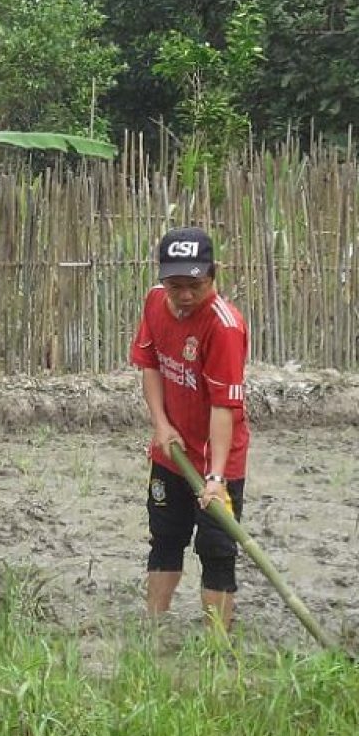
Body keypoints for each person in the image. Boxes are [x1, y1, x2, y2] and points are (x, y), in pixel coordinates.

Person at [130, 226, 249, 631]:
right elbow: (150, 365)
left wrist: (215, 477)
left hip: (218, 460)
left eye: (194, 285)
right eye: (174, 285)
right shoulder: (154, 302)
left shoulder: (224, 326)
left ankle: (217, 644)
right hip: (171, 449)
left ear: (214, 274)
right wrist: (161, 425)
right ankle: (153, 631)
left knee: (216, 548)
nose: (183, 296)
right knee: (165, 538)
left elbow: (223, 407)